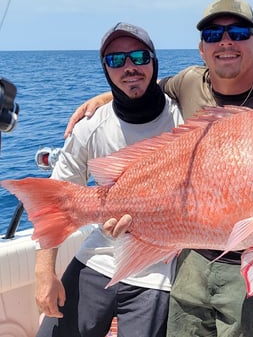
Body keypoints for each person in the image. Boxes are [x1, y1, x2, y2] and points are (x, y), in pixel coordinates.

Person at [72, 0, 253, 337]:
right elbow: (141, 87)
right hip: (189, 259)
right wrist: (105, 97)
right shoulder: (187, 83)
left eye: (239, 32)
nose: (225, 42)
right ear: (202, 49)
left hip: (245, 265)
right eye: (214, 35)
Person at [35, 22, 182, 337]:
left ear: (154, 61)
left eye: (139, 57)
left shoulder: (183, 117)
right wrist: (44, 272)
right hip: (98, 257)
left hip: (158, 272)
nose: (129, 67)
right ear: (106, 70)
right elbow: (54, 201)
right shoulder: (91, 127)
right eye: (116, 61)